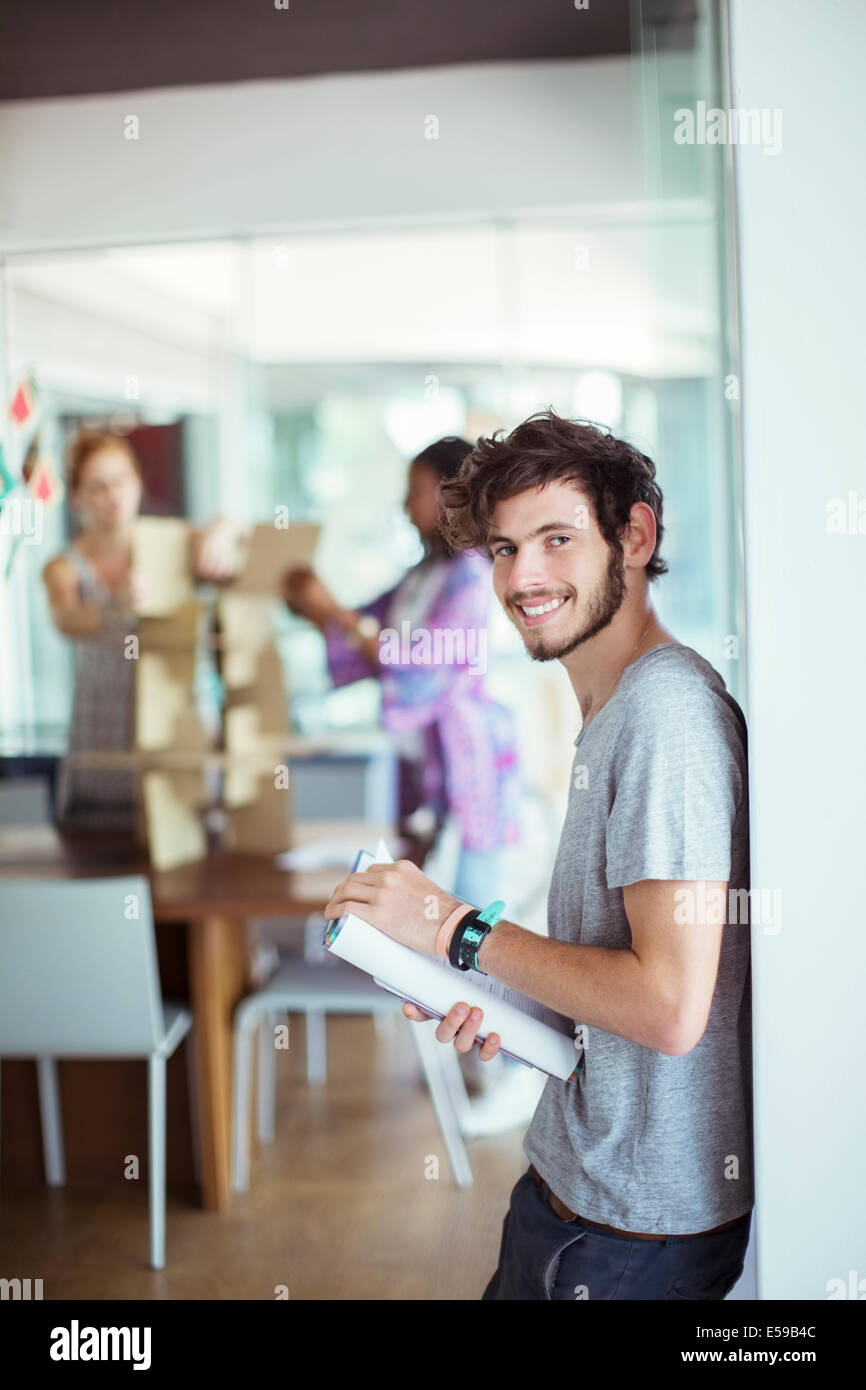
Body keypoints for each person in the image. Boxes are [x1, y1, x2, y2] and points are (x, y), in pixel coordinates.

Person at [322, 407, 754, 1300]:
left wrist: (454, 930)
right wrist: (488, 994)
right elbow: (614, 982)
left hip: (633, 1235)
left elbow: (670, 1006)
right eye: (505, 550)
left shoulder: (666, 718)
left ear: (634, 535)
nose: (525, 577)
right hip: (576, 1193)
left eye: (557, 538)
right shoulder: (614, 712)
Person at [284, 436, 539, 1133]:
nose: (405, 503)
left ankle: (520, 1073)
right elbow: (364, 632)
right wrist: (316, 608)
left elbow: (414, 668)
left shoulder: (468, 577)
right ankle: (479, 1063)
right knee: (446, 929)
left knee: (480, 929)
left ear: (451, 493)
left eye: (416, 487)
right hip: (430, 781)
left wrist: (334, 614)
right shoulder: (422, 577)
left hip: (472, 778)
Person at [42, 429, 244, 831]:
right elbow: (66, 619)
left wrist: (225, 529)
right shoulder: (62, 566)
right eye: (97, 487)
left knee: (190, 858)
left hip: (176, 737)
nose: (113, 496)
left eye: (120, 481)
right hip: (103, 743)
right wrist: (115, 607)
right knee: (97, 853)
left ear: (137, 482)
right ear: (78, 497)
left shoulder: (176, 541)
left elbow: (238, 529)